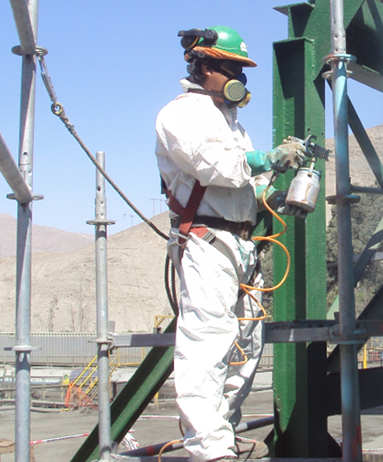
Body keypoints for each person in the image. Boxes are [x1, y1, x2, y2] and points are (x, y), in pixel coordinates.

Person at [155, 25, 309, 461]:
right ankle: (210, 450)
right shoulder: (181, 114)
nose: (239, 78)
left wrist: (275, 194)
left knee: (246, 344)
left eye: (242, 70)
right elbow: (215, 166)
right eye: (231, 69)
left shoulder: (232, 124)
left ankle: (222, 432)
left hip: (241, 244)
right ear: (203, 66)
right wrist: (268, 158)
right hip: (207, 240)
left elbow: (246, 183)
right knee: (208, 343)